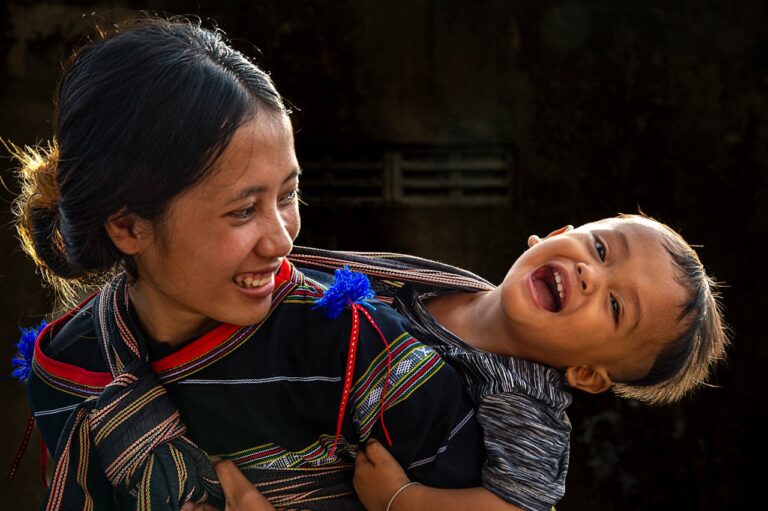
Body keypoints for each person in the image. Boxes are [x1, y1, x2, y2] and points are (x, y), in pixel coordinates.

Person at [9, 18, 484, 511]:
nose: (281, 240)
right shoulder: (72, 373)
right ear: (127, 227)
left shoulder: (356, 349)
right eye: (242, 211)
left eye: (288, 195)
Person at [286, 214, 729, 511]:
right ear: (555, 234)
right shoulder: (441, 283)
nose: (590, 274)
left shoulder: (524, 395)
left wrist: (401, 499)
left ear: (586, 373)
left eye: (615, 306)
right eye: (600, 248)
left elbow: (520, 503)